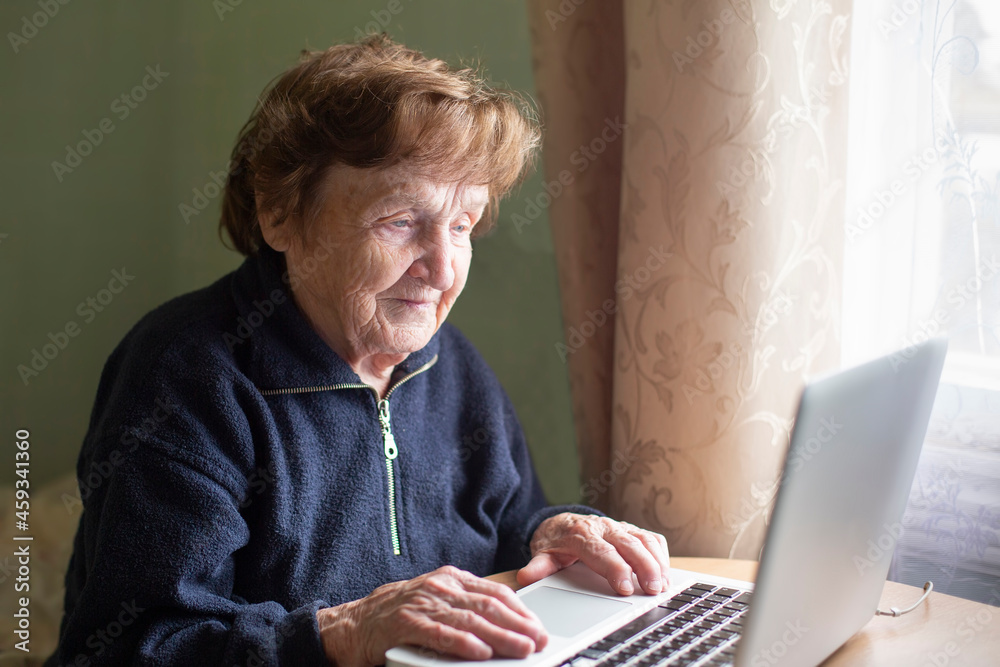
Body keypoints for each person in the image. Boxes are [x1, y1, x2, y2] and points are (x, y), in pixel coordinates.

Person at [48, 34, 670, 666]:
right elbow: (134, 646)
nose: (442, 269)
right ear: (280, 213)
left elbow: (505, 527)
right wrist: (344, 631)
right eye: (401, 220)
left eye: (462, 226)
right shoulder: (184, 376)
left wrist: (552, 532)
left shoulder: (450, 364)